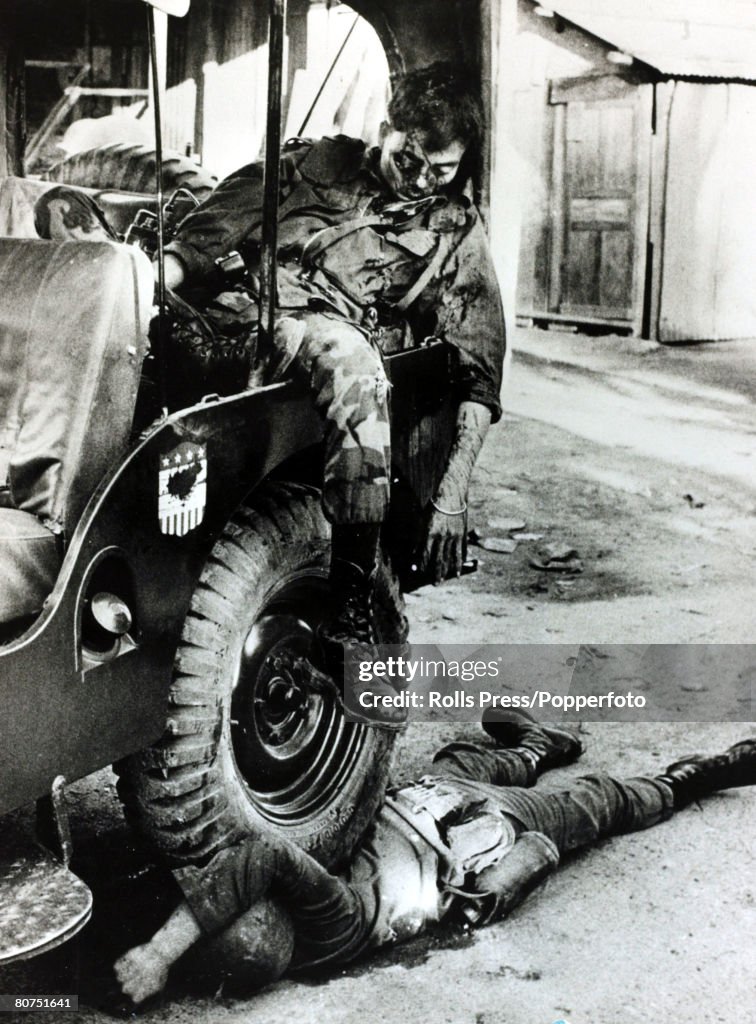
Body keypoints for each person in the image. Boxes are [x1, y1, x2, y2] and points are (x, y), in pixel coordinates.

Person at [34, 65, 505, 726]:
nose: (421, 180)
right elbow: (207, 235)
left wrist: (453, 494)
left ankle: (349, 607)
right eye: (410, 159)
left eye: (442, 170)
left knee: (357, 368)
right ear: (385, 131)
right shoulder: (313, 163)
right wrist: (138, 285)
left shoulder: (457, 232)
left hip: (321, 334)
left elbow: (481, 369)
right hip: (222, 319)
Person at [113, 711, 756, 1005]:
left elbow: (232, 871)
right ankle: (693, 778)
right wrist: (158, 955)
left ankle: (538, 746)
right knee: (596, 806)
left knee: (468, 760)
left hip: (428, 801)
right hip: (476, 829)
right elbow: (259, 855)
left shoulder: (304, 930)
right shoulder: (329, 923)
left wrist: (155, 936)